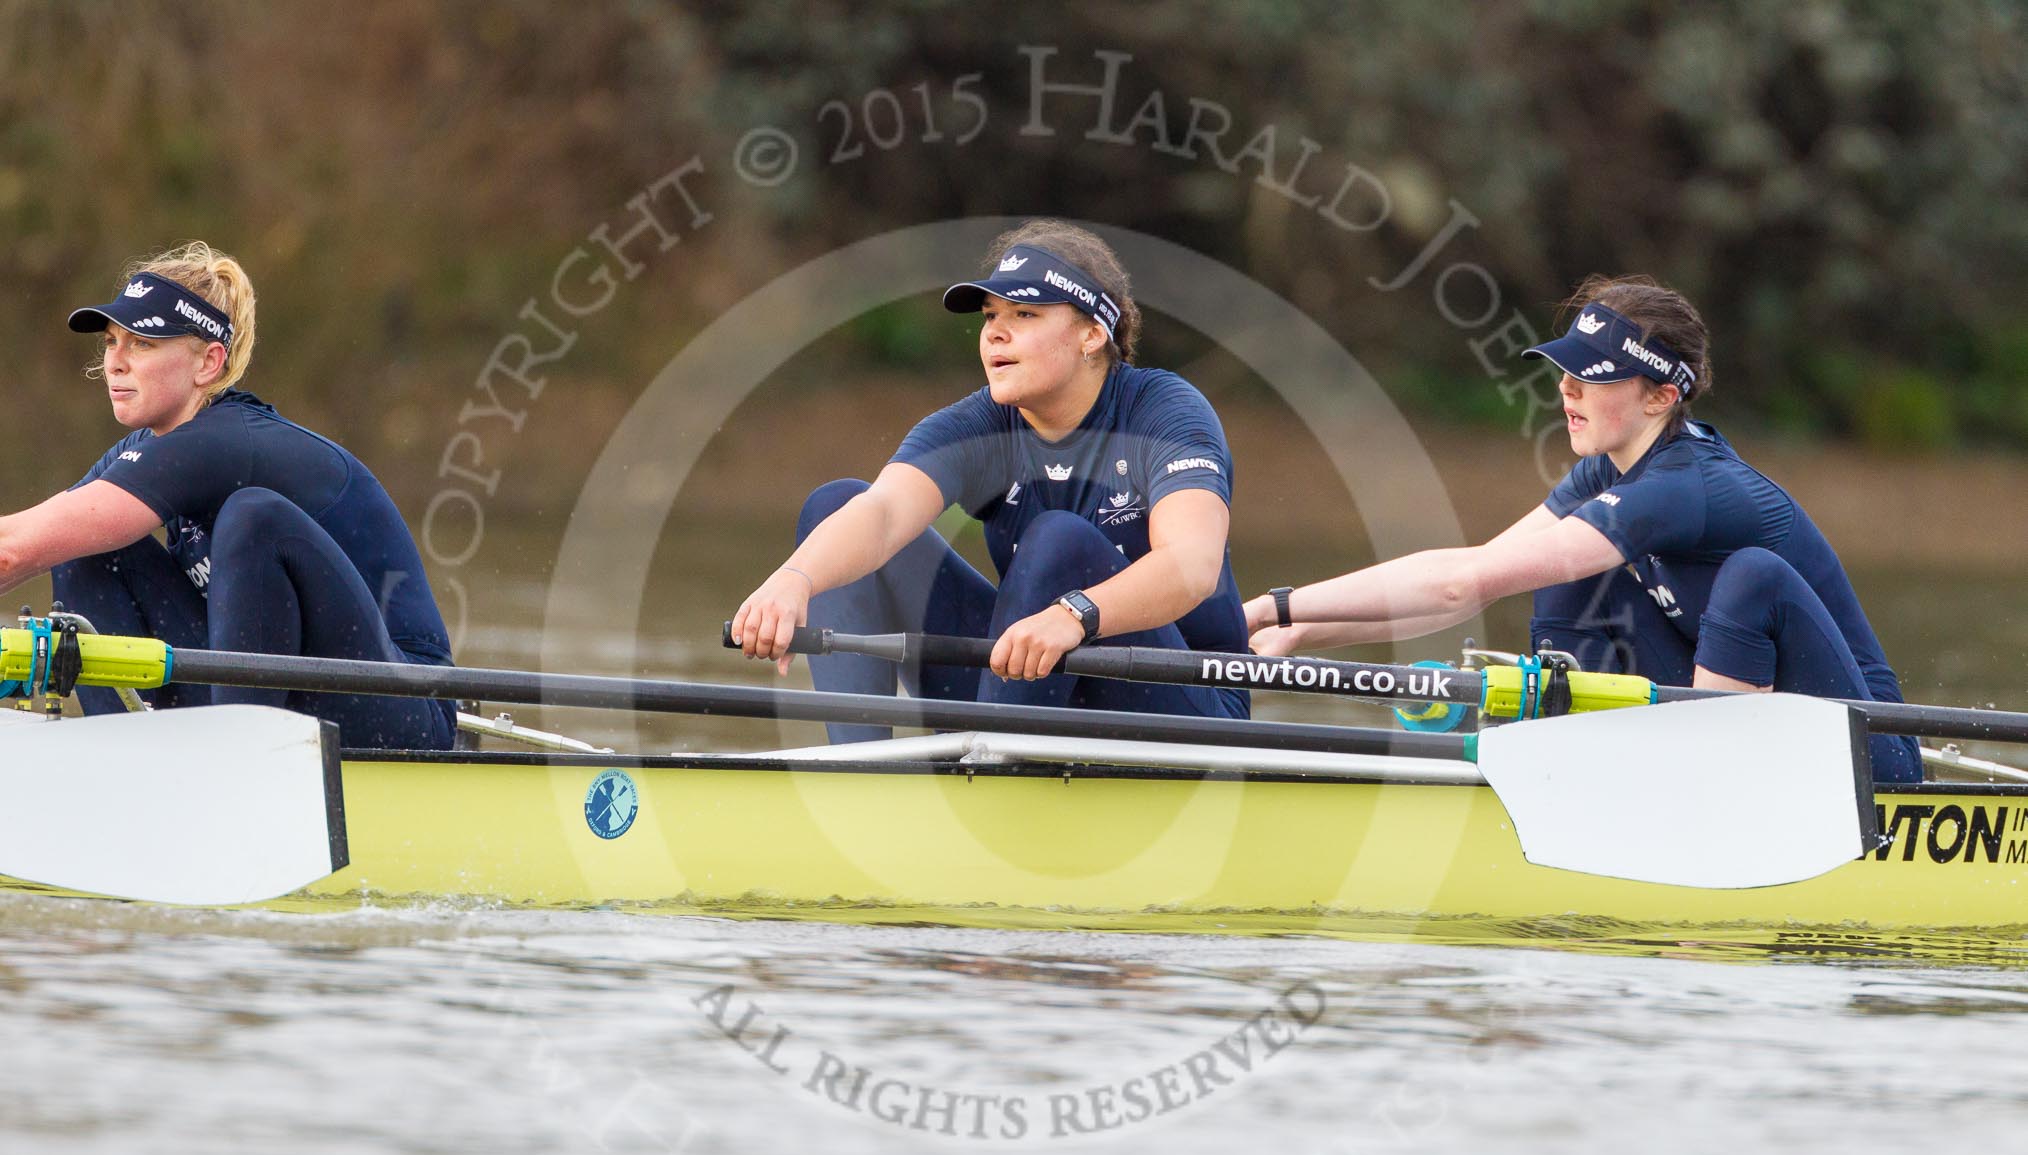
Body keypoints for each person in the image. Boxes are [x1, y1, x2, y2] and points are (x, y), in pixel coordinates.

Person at [1244, 274, 1922, 783]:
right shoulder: (1606, 472)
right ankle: (1573, 769)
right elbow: (1475, 575)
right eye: (1566, 371)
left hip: (1867, 757)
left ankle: (1688, 784)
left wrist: (1264, 605)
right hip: (1751, 736)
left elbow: (1458, 587)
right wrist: (1302, 629)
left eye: (1593, 378)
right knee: (1560, 574)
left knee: (1751, 575)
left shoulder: (1684, 485)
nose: (1566, 390)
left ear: (1661, 396)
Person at [729, 220, 1249, 741]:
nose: (996, 332)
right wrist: (795, 580)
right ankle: (861, 777)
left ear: (1093, 334)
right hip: (1029, 682)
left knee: (1059, 540)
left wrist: (1077, 615)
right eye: (991, 316)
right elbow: (883, 514)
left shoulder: (1165, 411)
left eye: (1025, 314)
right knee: (836, 503)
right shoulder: (979, 424)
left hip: (1182, 708)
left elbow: (1192, 564)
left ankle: (991, 770)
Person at [0, 241, 456, 749]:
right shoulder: (148, 448)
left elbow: (11, 551)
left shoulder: (228, 439)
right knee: (83, 546)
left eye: (143, 344)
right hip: (277, 690)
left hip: (402, 704)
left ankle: (232, 763)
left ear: (208, 363)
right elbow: (24, 540)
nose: (115, 363)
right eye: (111, 342)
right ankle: (128, 758)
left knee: (252, 516)